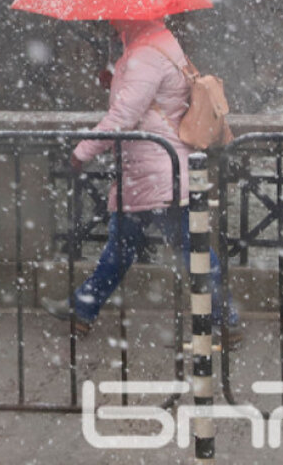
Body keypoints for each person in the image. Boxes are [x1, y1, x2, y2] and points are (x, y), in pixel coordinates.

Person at [41, 18, 242, 345]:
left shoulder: (145, 54)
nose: (108, 20)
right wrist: (117, 81)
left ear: (129, 16)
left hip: (156, 172)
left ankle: (225, 320)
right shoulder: (160, 43)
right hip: (156, 170)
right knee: (131, 246)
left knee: (188, 249)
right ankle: (84, 309)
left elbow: (124, 116)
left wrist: (82, 152)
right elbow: (157, 98)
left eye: (113, 16)